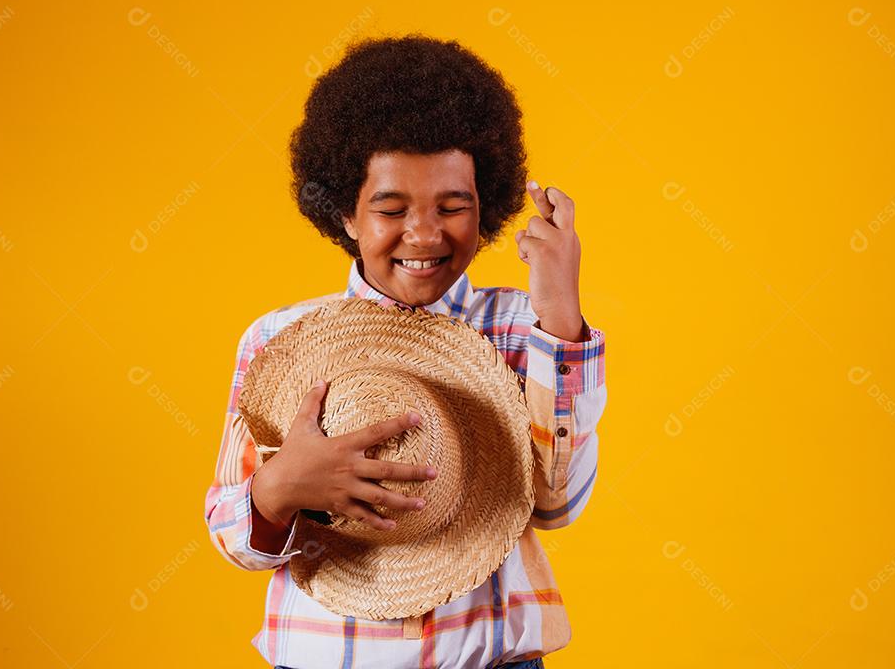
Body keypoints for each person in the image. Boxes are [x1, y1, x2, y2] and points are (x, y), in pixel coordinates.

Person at [204, 34, 607, 669]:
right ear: (345, 213)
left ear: (489, 208)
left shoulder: (518, 327)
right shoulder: (279, 343)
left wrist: (559, 317)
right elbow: (233, 538)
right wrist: (280, 486)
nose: (424, 234)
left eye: (453, 206)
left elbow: (558, 504)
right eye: (391, 209)